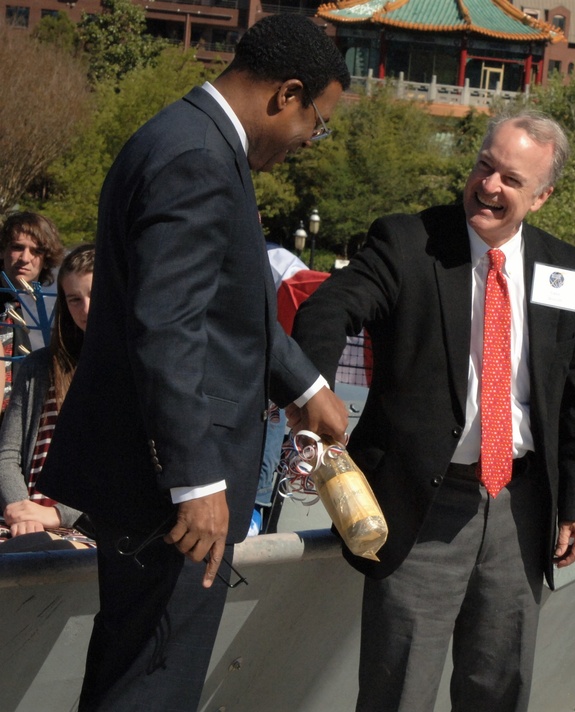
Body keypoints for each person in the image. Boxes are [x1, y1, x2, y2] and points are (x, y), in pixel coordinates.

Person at [37, 15, 351, 712]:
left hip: (159, 481)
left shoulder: (188, 139)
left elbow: (224, 308)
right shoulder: (197, 159)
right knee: (152, 682)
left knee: (141, 672)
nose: (309, 142)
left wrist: (305, 382)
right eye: (317, 124)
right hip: (170, 495)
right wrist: (195, 480)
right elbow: (167, 326)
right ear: (287, 94)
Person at [293, 109, 575, 712]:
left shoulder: (571, 270)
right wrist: (313, 394)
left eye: (510, 180)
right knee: (399, 693)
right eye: (484, 167)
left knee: (499, 691)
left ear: (541, 197)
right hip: (421, 508)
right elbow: (326, 312)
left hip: (523, 511)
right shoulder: (408, 243)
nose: (489, 186)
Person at [0, 244, 93, 551]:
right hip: (26, 516)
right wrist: (19, 509)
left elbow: (124, 472)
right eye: (74, 300)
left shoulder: (132, 368)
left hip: (89, 523)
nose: (85, 309)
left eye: (94, 295)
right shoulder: (39, 367)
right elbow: (7, 454)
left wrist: (56, 514)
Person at [0, 212, 64, 414]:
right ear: (2, 250)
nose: (25, 258)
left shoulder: (58, 303)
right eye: (17, 247)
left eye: (35, 251)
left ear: (46, 259)